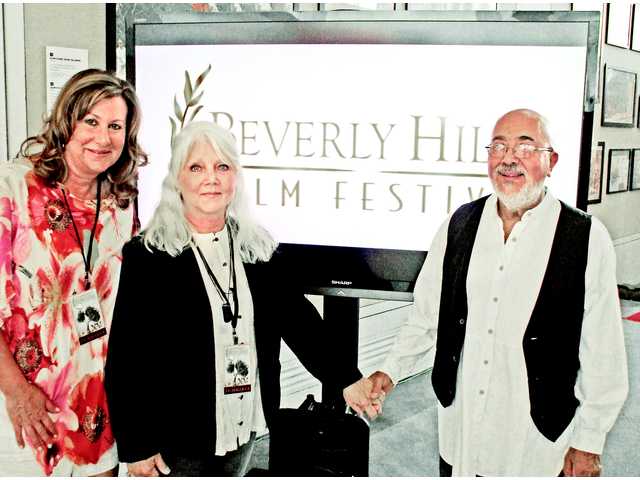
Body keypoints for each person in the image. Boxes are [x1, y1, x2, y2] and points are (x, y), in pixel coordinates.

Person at [104, 121, 377, 477]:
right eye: (197, 167)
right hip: (177, 440)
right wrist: (137, 445)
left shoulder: (257, 248)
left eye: (222, 167)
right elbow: (128, 359)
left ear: (235, 177)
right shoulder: (149, 256)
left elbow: (301, 323)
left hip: (244, 424)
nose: (211, 178)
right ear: (177, 180)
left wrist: (347, 379)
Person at [369, 109, 629, 476]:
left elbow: (603, 349)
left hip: (535, 443)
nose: (508, 158)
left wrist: (589, 440)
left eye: (524, 147)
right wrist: (390, 370)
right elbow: (426, 317)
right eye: (499, 147)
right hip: (462, 432)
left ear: (550, 161)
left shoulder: (585, 237)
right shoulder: (459, 223)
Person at [0, 69, 148, 476]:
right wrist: (17, 394)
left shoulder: (122, 203)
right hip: (26, 410)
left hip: (98, 412)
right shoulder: (12, 187)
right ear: (67, 122)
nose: (103, 138)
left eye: (115, 126)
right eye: (91, 122)